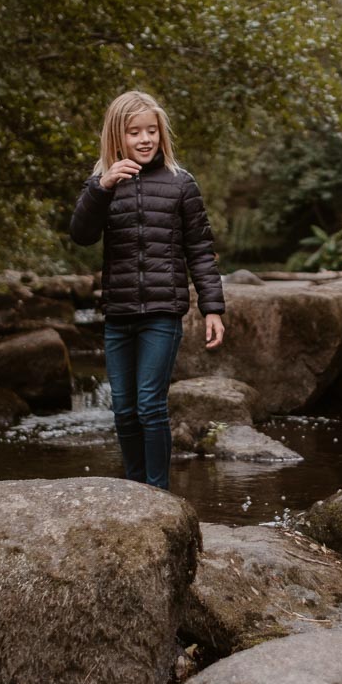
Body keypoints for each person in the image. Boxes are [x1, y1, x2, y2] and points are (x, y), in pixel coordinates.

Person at [70, 91, 225, 491]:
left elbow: (201, 251)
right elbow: (82, 235)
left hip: (162, 311)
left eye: (151, 131)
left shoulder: (180, 183)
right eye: (134, 132)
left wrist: (212, 308)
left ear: (161, 134)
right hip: (118, 314)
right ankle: (134, 490)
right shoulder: (101, 184)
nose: (144, 139)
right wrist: (101, 188)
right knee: (123, 409)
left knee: (149, 406)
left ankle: (157, 492)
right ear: (116, 136)